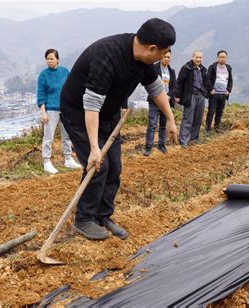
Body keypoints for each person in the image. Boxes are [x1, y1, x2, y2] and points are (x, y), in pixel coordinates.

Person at [60, 18, 178, 240]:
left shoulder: (144, 60)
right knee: (98, 165)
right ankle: (84, 219)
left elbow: (156, 89)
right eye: (164, 52)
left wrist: (170, 119)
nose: (164, 57)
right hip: (79, 112)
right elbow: (91, 104)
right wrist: (94, 147)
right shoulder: (108, 56)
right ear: (152, 49)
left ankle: (102, 216)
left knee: (114, 165)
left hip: (109, 112)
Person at [36, 48, 82, 174]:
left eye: (52, 58)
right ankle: (46, 161)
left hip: (65, 109)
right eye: (47, 59)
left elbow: (71, 89)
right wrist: (43, 112)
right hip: (51, 110)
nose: (49, 61)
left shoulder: (65, 72)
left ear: (57, 59)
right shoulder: (43, 75)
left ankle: (68, 159)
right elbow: (41, 94)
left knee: (67, 135)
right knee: (48, 137)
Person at [143, 50, 177, 156]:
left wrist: (168, 96)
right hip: (154, 101)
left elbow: (174, 87)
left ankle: (162, 145)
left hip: (166, 102)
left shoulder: (172, 71)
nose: (166, 59)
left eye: (168, 57)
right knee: (152, 124)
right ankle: (148, 147)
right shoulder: (154, 68)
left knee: (163, 125)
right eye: (165, 56)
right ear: (161, 56)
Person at [175, 50, 212, 148]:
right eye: (197, 57)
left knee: (198, 119)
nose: (198, 59)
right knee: (188, 118)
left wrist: (205, 92)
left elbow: (207, 82)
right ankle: (184, 141)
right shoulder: (186, 68)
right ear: (192, 57)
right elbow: (180, 82)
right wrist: (178, 95)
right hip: (190, 96)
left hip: (200, 96)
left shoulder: (203, 69)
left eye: (200, 57)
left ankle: (194, 138)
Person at [205, 50, 233, 136]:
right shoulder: (213, 67)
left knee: (220, 111)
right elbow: (207, 78)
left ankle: (217, 127)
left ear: (226, 58)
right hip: (214, 93)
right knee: (211, 111)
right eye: (221, 57)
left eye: (224, 57)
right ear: (217, 58)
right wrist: (211, 89)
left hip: (223, 94)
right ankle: (207, 128)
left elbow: (230, 81)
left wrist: (228, 90)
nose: (222, 59)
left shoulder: (228, 68)